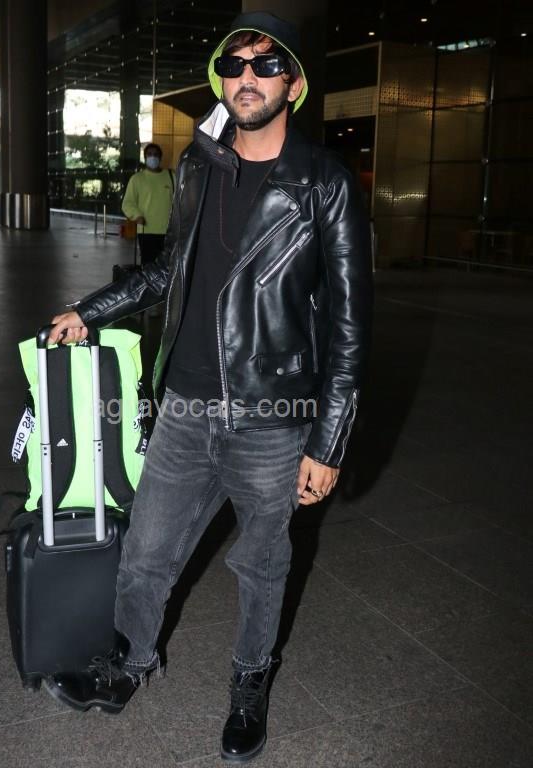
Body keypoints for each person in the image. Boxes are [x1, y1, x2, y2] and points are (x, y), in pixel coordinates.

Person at [45, 11, 372, 764]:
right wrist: (90, 310)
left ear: (293, 83)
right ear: (220, 79)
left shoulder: (322, 183)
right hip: (186, 408)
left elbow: (352, 326)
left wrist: (327, 443)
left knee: (261, 565)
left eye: (266, 64)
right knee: (145, 552)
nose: (247, 77)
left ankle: (250, 685)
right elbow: (170, 271)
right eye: (234, 64)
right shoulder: (198, 165)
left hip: (273, 415)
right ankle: (128, 664)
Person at [121, 142, 174, 266]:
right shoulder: (137, 179)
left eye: (156, 154)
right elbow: (127, 203)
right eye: (149, 154)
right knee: (149, 266)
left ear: (160, 157)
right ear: (145, 157)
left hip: (168, 231)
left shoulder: (171, 176)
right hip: (147, 231)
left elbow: (180, 200)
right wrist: (137, 215)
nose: (153, 157)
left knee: (168, 266)